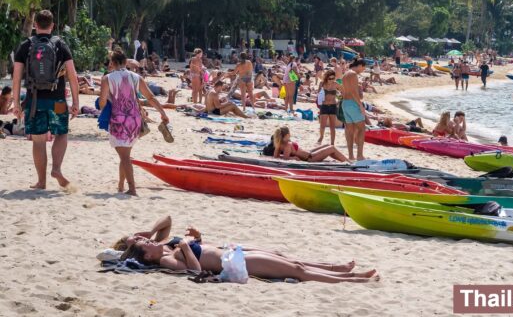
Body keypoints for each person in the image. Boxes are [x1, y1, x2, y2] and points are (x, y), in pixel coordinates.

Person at [122, 216, 377, 283]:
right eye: (147, 244)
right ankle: (351, 279)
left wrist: (149, 233)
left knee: (286, 259)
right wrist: (188, 247)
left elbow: (166, 219)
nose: (152, 242)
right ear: (147, 256)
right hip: (234, 264)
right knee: (297, 271)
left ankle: (338, 269)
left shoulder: (164, 245)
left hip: (231, 252)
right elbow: (193, 270)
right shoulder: (165, 261)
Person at [12, 10, 79, 189]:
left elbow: (16, 77)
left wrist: (16, 103)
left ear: (35, 25)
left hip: (34, 102)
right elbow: (72, 76)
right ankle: (56, 169)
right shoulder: (60, 45)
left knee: (39, 140)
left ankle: (41, 181)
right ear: (52, 26)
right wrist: (76, 103)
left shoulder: (25, 46)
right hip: (57, 101)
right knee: (61, 132)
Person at [99, 49, 170, 195]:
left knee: (124, 156)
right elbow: (150, 97)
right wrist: (163, 113)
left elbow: (101, 103)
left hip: (118, 121)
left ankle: (132, 189)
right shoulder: (136, 77)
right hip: (135, 119)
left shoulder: (107, 78)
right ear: (126, 62)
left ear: (112, 63)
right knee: (124, 154)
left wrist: (108, 100)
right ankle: (120, 186)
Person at [341, 59, 368, 160]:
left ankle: (351, 155)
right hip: (352, 103)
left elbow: (344, 91)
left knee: (349, 130)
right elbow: (354, 92)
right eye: (363, 68)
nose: (363, 70)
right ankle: (359, 155)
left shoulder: (345, 75)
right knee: (361, 128)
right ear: (360, 65)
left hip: (345, 103)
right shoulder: (353, 74)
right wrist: (360, 105)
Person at [272, 126, 348, 162]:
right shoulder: (288, 145)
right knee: (332, 148)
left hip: (309, 153)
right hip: (310, 157)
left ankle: (344, 161)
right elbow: (286, 158)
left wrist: (288, 157)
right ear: (287, 135)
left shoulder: (279, 144)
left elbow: (276, 156)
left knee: (328, 145)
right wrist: (293, 158)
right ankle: (349, 163)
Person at [317, 71, 339, 145]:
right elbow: (318, 94)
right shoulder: (322, 84)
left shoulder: (336, 84)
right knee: (322, 125)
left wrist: (339, 100)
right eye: (330, 78)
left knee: (332, 127)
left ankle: (332, 143)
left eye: (333, 78)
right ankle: (321, 137)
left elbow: (344, 92)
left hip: (333, 106)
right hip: (324, 106)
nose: (331, 80)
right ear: (326, 77)